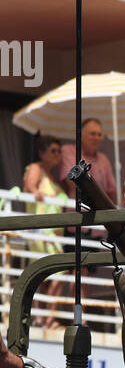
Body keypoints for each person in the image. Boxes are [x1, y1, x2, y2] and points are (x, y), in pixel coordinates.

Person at [21, 134, 67, 329]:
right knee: (53, 271)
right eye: (53, 151)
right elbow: (29, 185)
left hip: (51, 234)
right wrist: (35, 192)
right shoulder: (36, 168)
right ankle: (44, 317)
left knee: (50, 275)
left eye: (59, 151)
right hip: (40, 231)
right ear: (42, 153)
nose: (57, 154)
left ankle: (44, 317)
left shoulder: (52, 177)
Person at [60, 117, 118, 205]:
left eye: (99, 135)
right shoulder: (69, 151)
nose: (97, 138)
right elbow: (72, 182)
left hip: (102, 213)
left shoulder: (103, 159)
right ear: (81, 136)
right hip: (78, 211)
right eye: (92, 134)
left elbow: (112, 191)